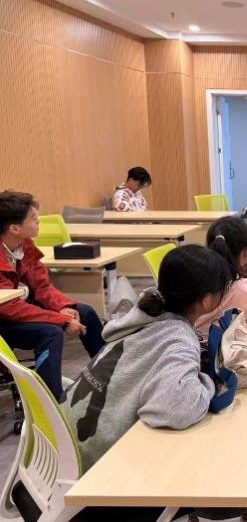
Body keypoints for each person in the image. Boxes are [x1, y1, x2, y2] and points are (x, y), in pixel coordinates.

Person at [60, 245, 231, 470]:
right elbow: (172, 410)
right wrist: (207, 383)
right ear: (207, 300)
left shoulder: (147, 311)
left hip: (61, 435)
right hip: (91, 462)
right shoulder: (178, 339)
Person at [0, 191, 104, 400]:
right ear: (14, 228)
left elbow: (42, 286)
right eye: (34, 218)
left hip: (19, 307)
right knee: (51, 332)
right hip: (4, 318)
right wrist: (60, 319)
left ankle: (109, 378)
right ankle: (52, 401)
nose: (39, 221)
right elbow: (8, 307)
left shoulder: (24, 244)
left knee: (85, 312)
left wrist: (62, 307)